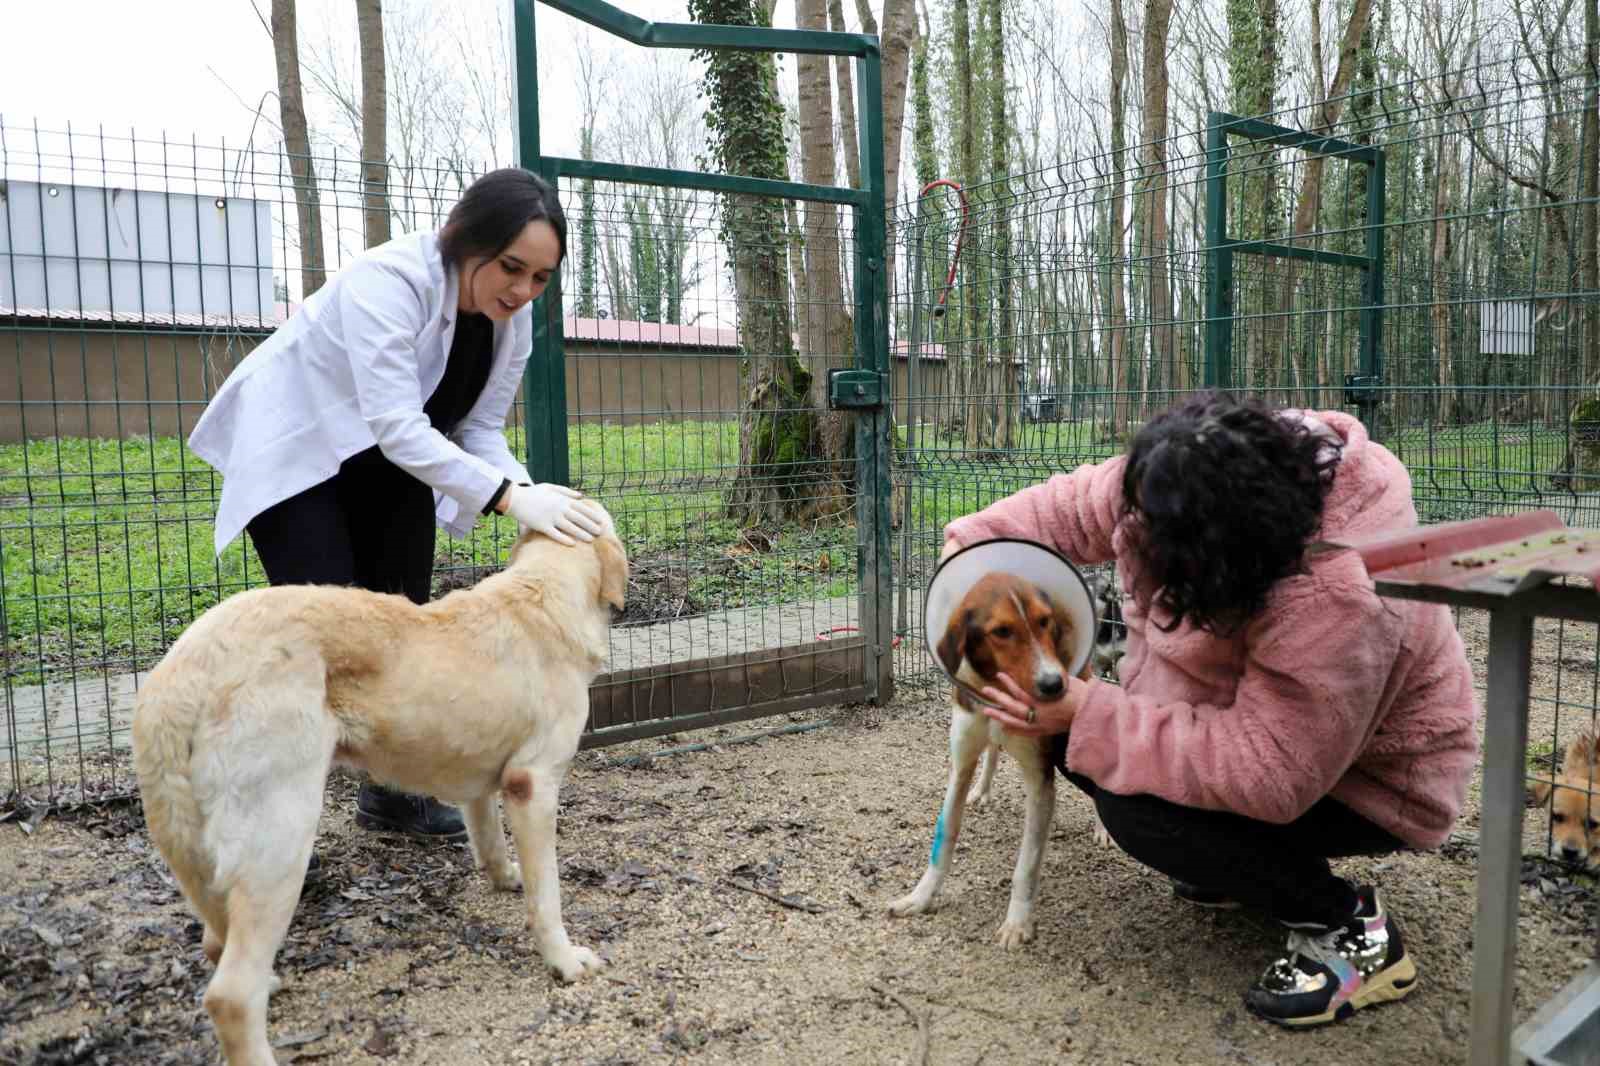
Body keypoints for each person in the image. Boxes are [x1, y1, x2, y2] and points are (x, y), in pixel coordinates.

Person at [939, 390, 1479, 1028]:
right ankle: (1239, 868)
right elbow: (1067, 507)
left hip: (1365, 781)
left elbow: (1271, 773)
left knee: (1138, 809)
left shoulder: (1337, 592)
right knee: (1080, 746)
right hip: (1252, 727)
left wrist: (1096, 715)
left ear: (1233, 565)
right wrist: (967, 552)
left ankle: (1347, 928)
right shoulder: (1183, 472)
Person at [189, 167, 608, 841]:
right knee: (321, 637)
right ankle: (251, 826)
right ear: (465, 239)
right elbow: (395, 423)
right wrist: (506, 498)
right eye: (510, 267)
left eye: (540, 277)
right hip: (301, 451)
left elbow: (478, 431)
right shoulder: (389, 282)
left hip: (389, 462)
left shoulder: (513, 321)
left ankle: (391, 794)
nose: (523, 290)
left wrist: (528, 492)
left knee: (398, 623)